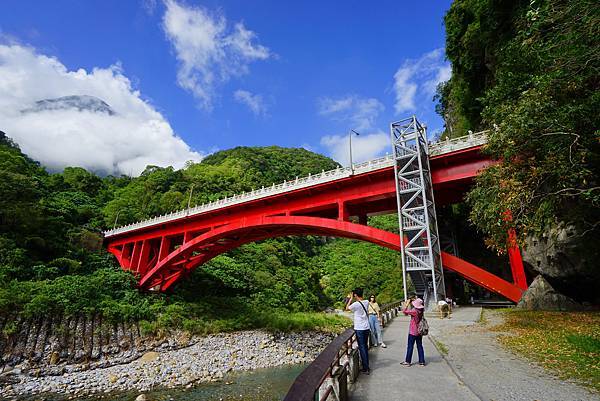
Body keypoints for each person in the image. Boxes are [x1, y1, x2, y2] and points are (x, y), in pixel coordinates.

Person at [345, 288, 371, 374]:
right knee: (364, 347)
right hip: (366, 327)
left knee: (362, 347)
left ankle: (366, 368)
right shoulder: (367, 302)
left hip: (359, 328)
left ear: (355, 295)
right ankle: (366, 366)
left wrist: (350, 299)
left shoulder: (355, 304)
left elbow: (347, 308)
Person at [401, 297, 425, 367]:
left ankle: (408, 361)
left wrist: (407, 304)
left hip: (413, 331)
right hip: (419, 331)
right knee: (419, 346)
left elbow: (404, 311)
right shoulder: (421, 310)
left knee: (410, 346)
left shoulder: (414, 311)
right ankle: (422, 361)